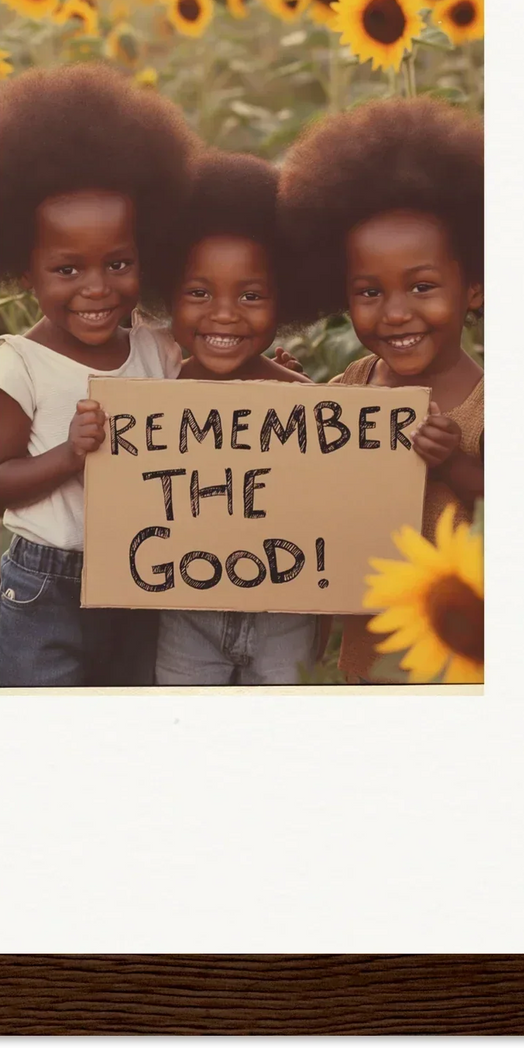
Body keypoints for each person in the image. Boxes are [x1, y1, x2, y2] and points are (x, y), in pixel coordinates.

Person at [0, 63, 196, 686]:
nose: (97, 288)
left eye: (118, 263)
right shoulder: (19, 364)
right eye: (67, 270)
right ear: (25, 271)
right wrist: (68, 455)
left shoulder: (156, 352)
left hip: (143, 576)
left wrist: (265, 380)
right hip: (43, 588)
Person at [279, 98, 484, 683]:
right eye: (369, 293)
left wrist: (453, 467)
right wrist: (284, 388)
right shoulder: (354, 384)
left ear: (473, 288)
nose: (395, 313)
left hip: (460, 660)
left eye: (422, 287)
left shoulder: (489, 406)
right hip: (368, 657)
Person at [149, 150, 321, 686]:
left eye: (250, 296)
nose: (224, 313)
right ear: (167, 297)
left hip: (284, 611)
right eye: (199, 293)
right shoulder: (152, 398)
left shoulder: (306, 402)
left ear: (284, 300)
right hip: (185, 609)